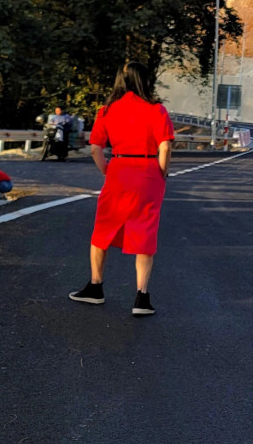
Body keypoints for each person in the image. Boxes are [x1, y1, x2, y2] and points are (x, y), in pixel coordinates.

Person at [69, 62, 175, 317]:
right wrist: (161, 173)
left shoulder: (107, 111)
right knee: (144, 232)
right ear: (144, 81)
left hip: (118, 169)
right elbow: (165, 147)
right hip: (148, 172)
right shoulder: (156, 110)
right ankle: (142, 297)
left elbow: (95, 148)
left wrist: (108, 170)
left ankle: (95, 287)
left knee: (103, 229)